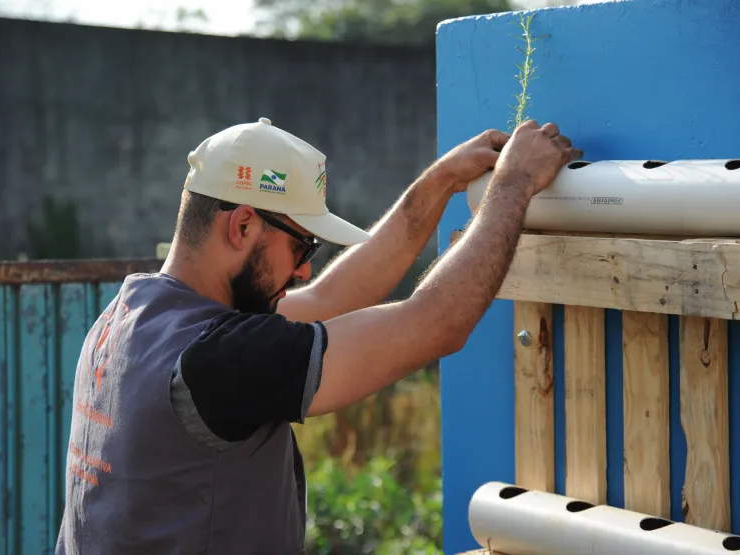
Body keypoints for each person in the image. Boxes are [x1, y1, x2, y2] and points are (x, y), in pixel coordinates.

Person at [55, 116, 581, 554]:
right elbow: (435, 324)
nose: (305, 271)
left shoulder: (133, 314)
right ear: (242, 227)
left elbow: (330, 299)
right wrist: (513, 185)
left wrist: (441, 180)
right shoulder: (222, 360)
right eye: (302, 248)